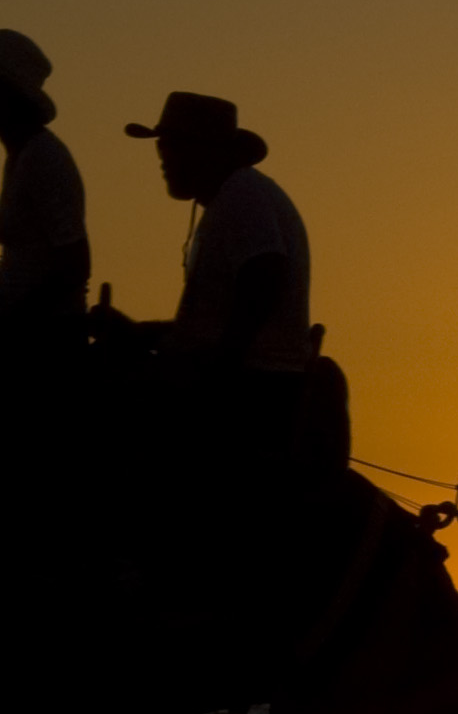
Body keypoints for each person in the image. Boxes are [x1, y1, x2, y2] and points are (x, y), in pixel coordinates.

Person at [123, 91, 323, 477]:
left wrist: (218, 369)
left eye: (172, 146)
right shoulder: (238, 197)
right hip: (256, 378)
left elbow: (265, 274)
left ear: (204, 151)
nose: (162, 158)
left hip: (255, 386)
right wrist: (144, 334)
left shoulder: (241, 197)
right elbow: (220, 314)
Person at [0, 29, 90, 332]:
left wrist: (12, 325)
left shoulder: (43, 158)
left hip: (40, 343)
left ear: (5, 90)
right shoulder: (25, 156)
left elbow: (75, 265)